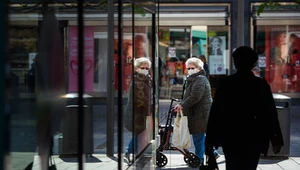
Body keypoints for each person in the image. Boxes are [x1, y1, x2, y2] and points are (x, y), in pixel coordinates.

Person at [205, 46, 284, 170]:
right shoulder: (260, 85)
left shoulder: (227, 84)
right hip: (254, 137)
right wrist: (276, 139)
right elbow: (270, 114)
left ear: (235, 63)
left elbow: (216, 114)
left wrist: (209, 142)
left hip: (231, 138)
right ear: (253, 63)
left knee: (232, 166)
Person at [174, 57, 219, 165]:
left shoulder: (200, 79)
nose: (189, 70)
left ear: (199, 68)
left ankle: (200, 160)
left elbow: (195, 96)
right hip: (197, 112)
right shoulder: (193, 79)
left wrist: (182, 105)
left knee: (198, 136)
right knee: (200, 136)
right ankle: (212, 152)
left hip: (200, 113)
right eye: (188, 68)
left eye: (192, 67)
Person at [124, 57, 152, 164]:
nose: (145, 69)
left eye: (146, 68)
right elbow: (141, 98)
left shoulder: (145, 79)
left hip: (141, 112)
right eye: (142, 67)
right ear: (136, 68)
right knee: (137, 134)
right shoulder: (138, 81)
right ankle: (130, 152)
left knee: (139, 134)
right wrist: (150, 105)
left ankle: (133, 153)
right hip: (137, 112)